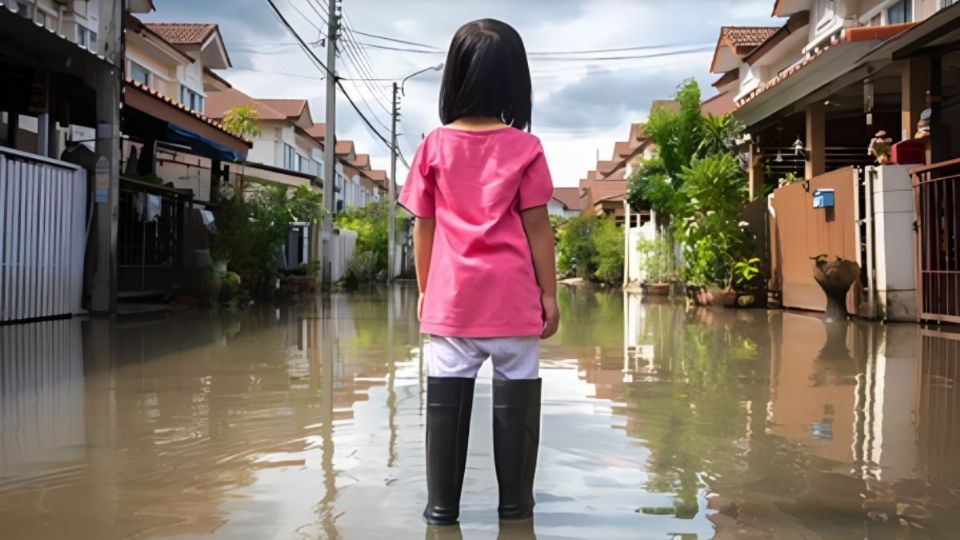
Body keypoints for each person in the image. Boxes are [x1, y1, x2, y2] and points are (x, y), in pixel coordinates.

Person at [398, 18, 559, 526]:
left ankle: (441, 512)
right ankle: (516, 512)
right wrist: (549, 296)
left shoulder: (433, 147)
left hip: (453, 306)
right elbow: (539, 230)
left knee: (446, 408)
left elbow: (421, 229)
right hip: (514, 306)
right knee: (519, 404)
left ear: (454, 77)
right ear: (516, 81)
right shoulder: (526, 149)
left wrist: (425, 290)